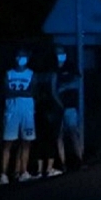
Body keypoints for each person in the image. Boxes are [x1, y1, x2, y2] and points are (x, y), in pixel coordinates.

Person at [0, 48, 36, 184]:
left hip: (27, 112)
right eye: (19, 56)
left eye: (24, 56)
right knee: (8, 142)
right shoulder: (9, 73)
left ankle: (23, 171)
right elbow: (6, 91)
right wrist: (21, 92)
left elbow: (31, 91)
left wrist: (18, 92)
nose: (21, 58)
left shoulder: (31, 73)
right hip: (11, 112)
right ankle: (3, 174)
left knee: (26, 142)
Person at [33, 48, 65, 178]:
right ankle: (49, 168)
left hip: (39, 107)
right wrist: (61, 106)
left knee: (40, 139)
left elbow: (35, 93)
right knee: (51, 138)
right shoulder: (52, 74)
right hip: (51, 108)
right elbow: (53, 92)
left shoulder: (36, 75)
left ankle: (39, 170)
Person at [56, 48, 83, 168]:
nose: (60, 56)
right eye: (58, 53)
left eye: (62, 53)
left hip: (71, 106)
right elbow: (53, 87)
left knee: (73, 132)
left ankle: (79, 159)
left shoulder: (70, 67)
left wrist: (64, 87)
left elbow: (77, 82)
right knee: (59, 136)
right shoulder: (54, 69)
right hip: (57, 108)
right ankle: (63, 163)